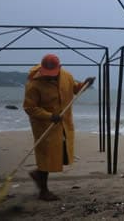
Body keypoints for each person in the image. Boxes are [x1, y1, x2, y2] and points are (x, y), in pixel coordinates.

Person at [23, 54, 95, 201]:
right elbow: (29, 107)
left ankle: (38, 174)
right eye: (47, 75)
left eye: (53, 75)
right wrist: (49, 116)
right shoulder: (34, 84)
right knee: (46, 155)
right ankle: (43, 191)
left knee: (59, 153)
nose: (50, 78)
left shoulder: (66, 76)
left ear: (59, 68)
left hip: (63, 122)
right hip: (44, 125)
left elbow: (75, 89)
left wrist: (84, 85)